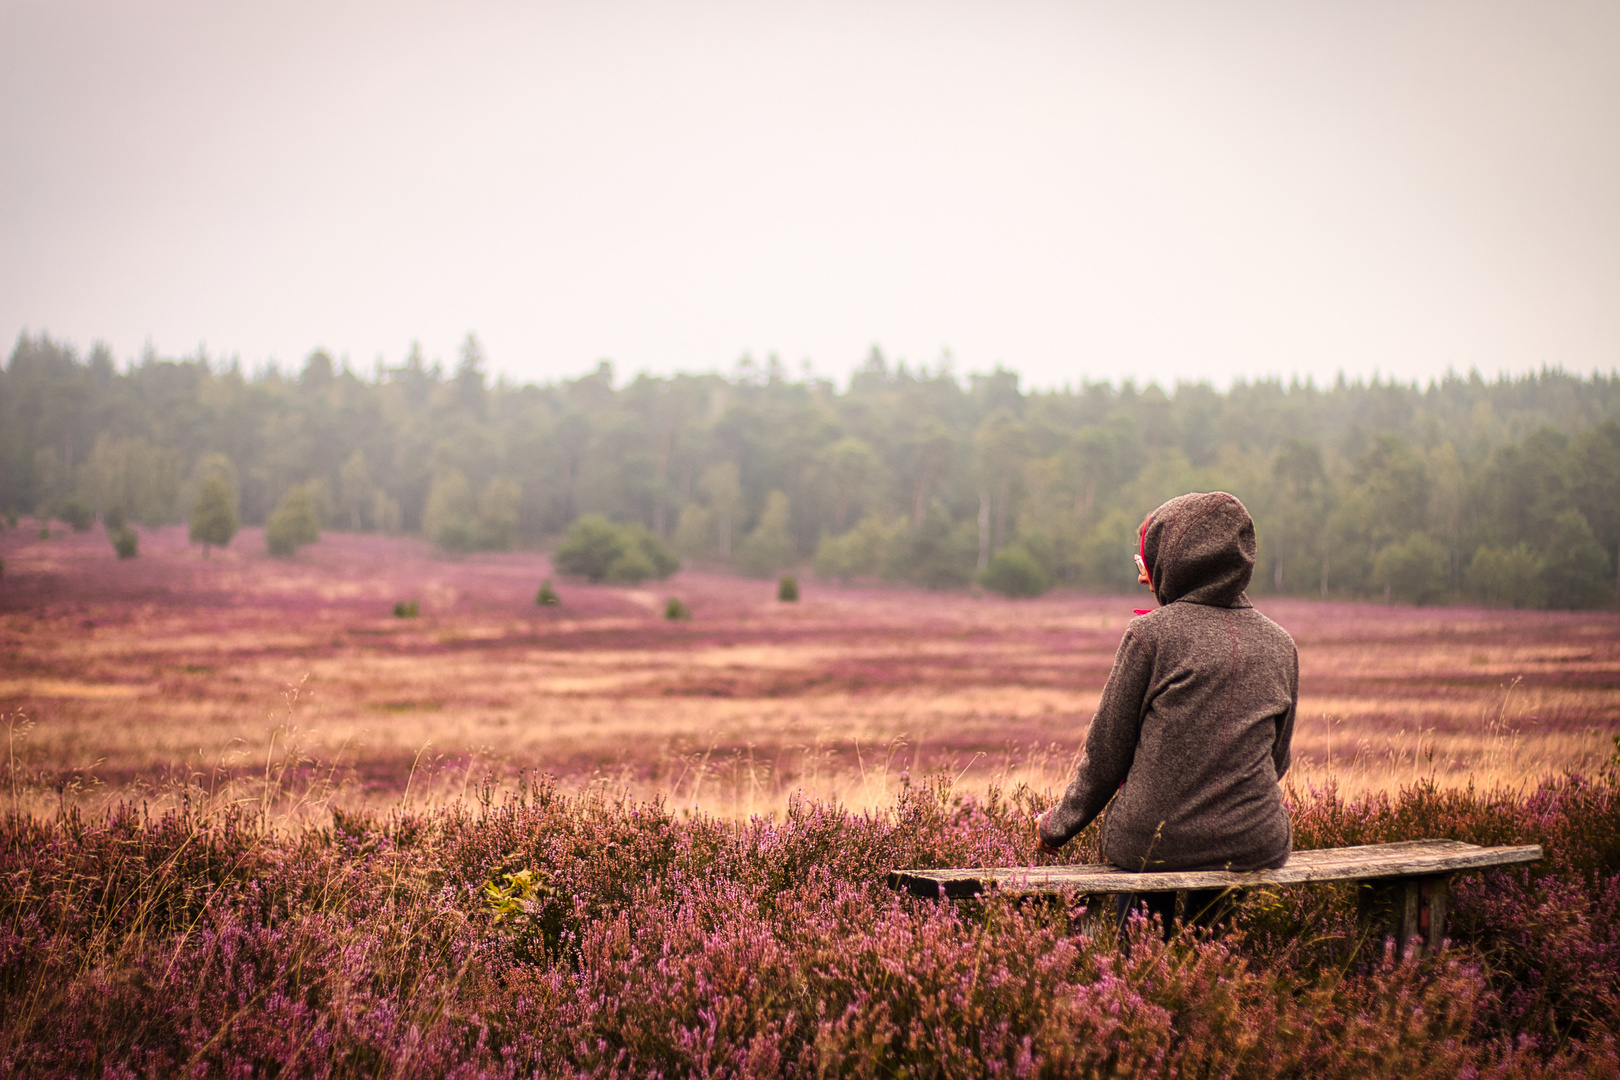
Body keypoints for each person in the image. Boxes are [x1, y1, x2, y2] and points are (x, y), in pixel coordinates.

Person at [1035, 491, 1297, 938]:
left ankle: (1137, 975)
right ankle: (1208, 974)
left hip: (1149, 842)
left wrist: (1056, 827)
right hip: (1254, 841)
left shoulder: (1149, 636)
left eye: (1150, 554)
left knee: (1142, 914)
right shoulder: (1281, 643)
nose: (1142, 569)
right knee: (1211, 947)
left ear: (1179, 559)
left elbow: (1107, 754)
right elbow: (1277, 760)